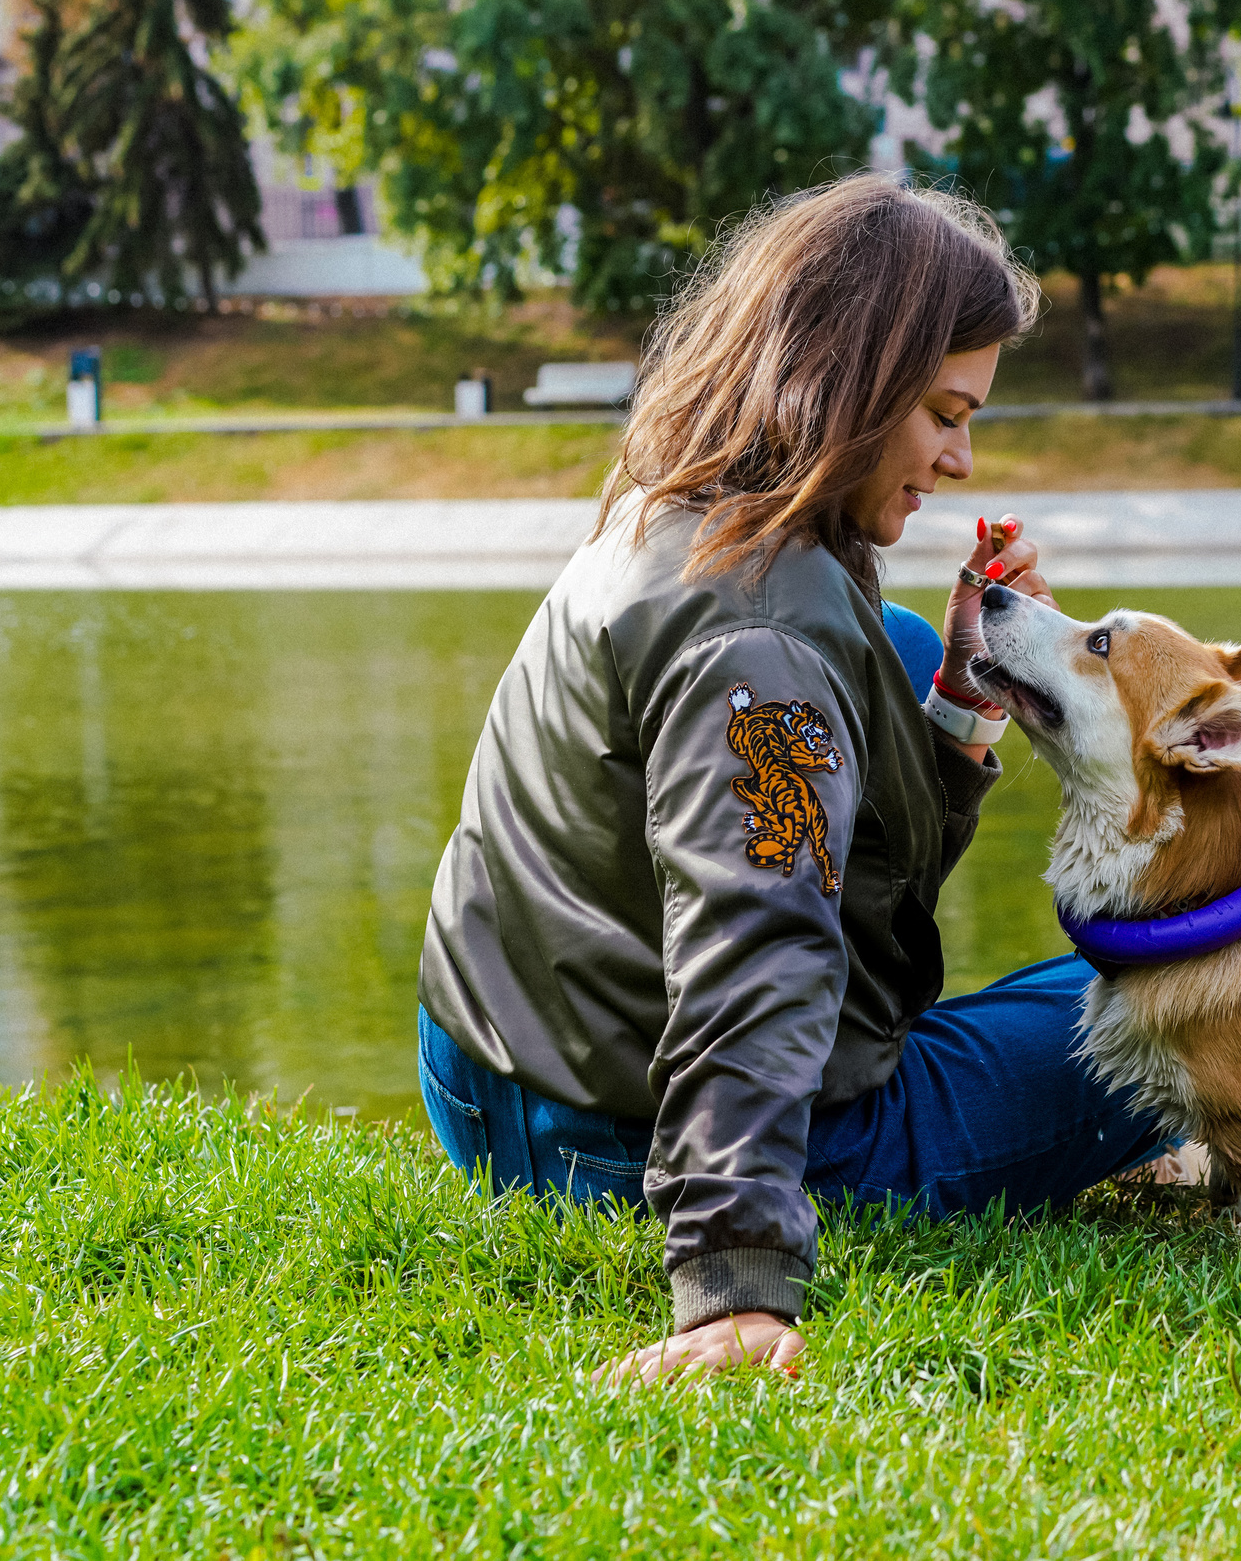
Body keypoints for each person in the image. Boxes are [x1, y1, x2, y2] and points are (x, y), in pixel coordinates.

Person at [412, 175, 1174, 1386]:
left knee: (919, 656)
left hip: (493, 1056)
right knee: (1179, 997)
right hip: (600, 1132)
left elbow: (801, 852)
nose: (962, 459)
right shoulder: (761, 636)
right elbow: (754, 941)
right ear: (852, 383)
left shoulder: (708, 503)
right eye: (941, 411)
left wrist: (959, 715)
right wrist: (735, 1283)